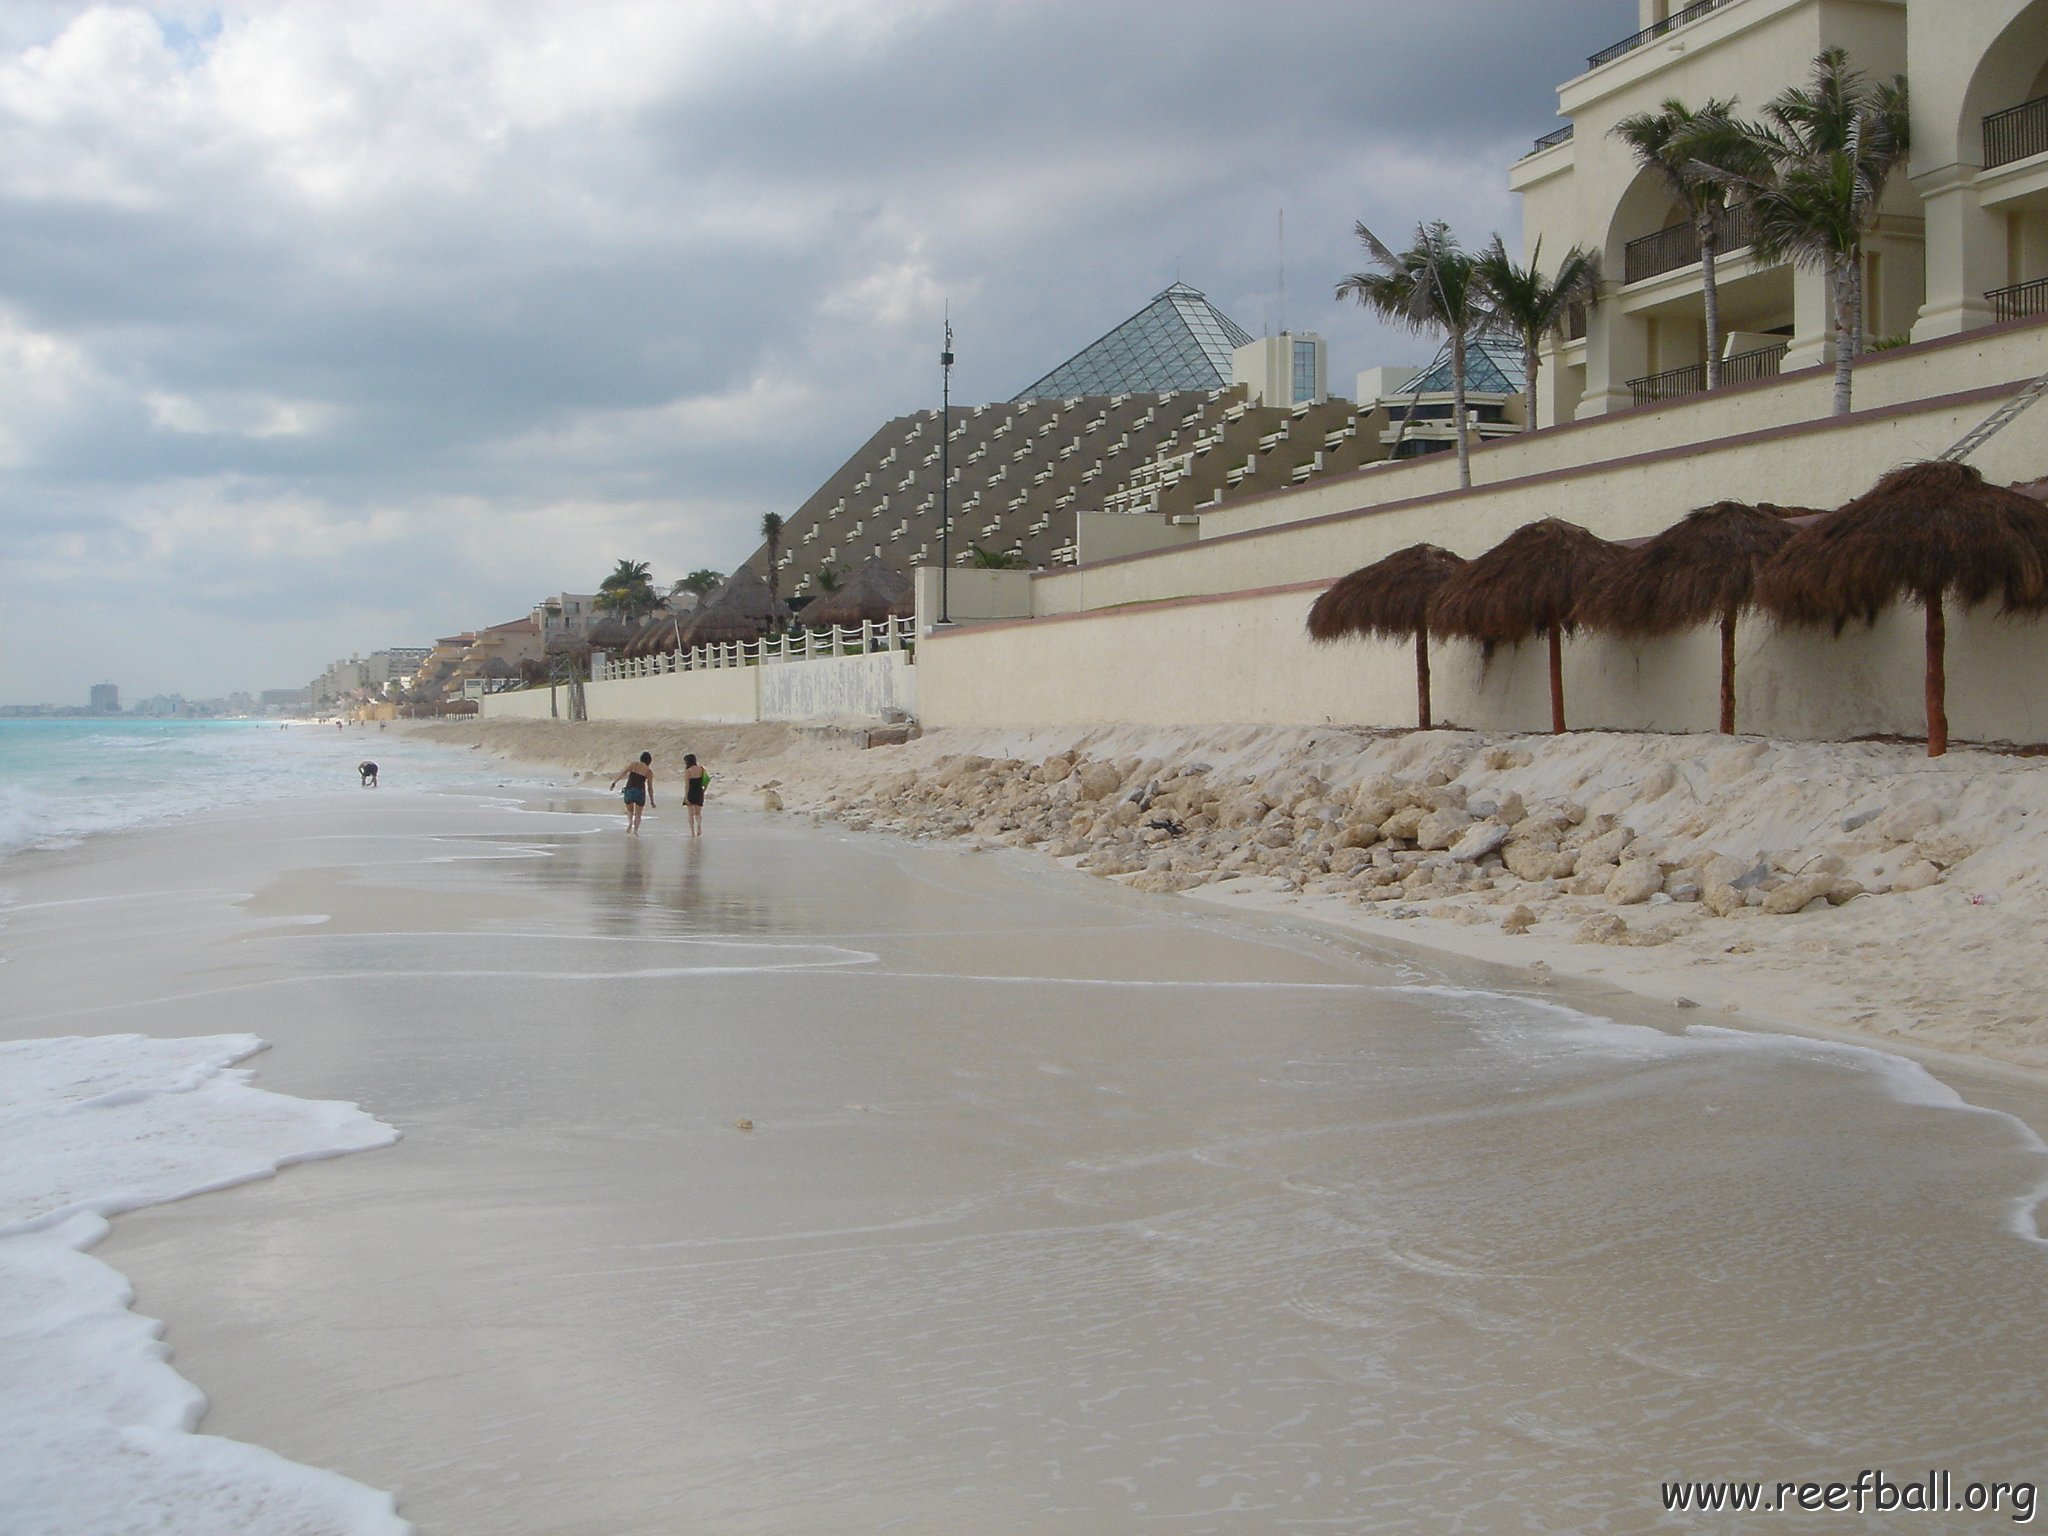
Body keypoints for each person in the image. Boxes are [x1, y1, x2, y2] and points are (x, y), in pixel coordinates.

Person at [609, 752, 655, 834]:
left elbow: (623, 773)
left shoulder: (634, 765)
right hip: (640, 792)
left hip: (629, 790)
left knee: (630, 811)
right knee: (638, 814)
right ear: (649, 761)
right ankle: (635, 831)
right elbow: (650, 788)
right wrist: (652, 801)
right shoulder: (649, 772)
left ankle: (630, 822)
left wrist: (614, 782)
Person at [683, 753, 708, 838]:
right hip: (699, 792)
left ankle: (692, 833)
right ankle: (699, 826)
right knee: (698, 813)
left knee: (690, 814)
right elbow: (706, 780)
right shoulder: (701, 769)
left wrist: (686, 797)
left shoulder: (688, 771)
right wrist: (703, 790)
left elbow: (687, 786)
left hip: (691, 793)